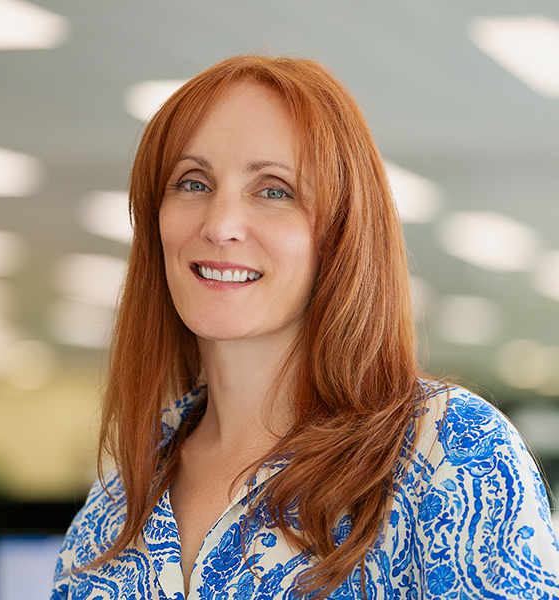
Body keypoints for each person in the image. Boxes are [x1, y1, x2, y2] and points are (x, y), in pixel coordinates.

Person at [51, 54, 559, 600]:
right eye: (193, 183)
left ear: (341, 232)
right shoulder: (119, 494)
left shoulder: (448, 452)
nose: (219, 224)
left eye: (274, 190)